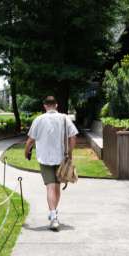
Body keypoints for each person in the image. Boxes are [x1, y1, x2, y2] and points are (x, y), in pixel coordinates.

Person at [24, 96, 78, 230]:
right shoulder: (65, 118)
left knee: (50, 187)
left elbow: (31, 140)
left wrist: (27, 152)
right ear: (56, 105)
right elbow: (73, 137)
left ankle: (53, 216)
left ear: (45, 106)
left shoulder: (39, 119)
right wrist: (69, 152)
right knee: (57, 187)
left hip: (45, 158)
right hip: (61, 158)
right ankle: (53, 212)